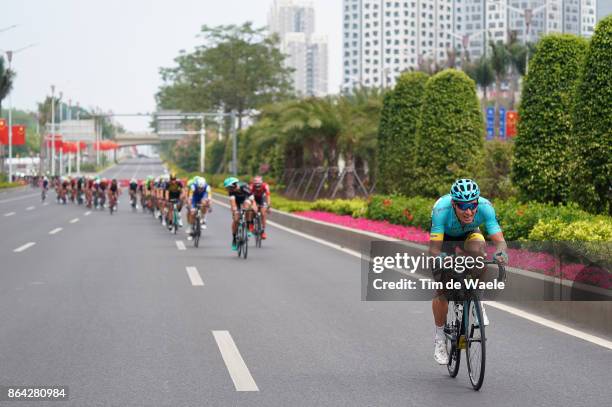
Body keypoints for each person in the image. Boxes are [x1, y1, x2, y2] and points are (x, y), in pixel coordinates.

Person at [428, 178, 508, 365]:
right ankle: (440, 339)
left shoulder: (486, 207)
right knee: (442, 290)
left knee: (479, 253)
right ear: (454, 204)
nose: (469, 211)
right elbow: (434, 250)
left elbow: (499, 240)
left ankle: (477, 299)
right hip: (444, 238)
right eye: (463, 206)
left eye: (472, 205)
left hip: (469, 234)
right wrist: (441, 259)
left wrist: (501, 252)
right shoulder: (441, 209)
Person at [223, 177, 257, 251]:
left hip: (246, 198)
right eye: (227, 188)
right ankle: (234, 239)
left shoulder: (244, 187)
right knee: (235, 219)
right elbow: (233, 203)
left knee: (248, 208)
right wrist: (234, 210)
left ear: (234, 185)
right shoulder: (231, 192)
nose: (228, 190)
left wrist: (254, 207)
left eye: (229, 188)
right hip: (237, 201)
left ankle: (249, 225)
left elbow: (252, 199)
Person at [249, 175, 271, 240]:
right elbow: (250, 197)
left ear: (261, 183)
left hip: (262, 198)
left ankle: (263, 231)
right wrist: (254, 204)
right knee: (252, 210)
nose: (257, 186)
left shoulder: (265, 186)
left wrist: (268, 205)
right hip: (253, 198)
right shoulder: (251, 186)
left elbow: (268, 196)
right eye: (256, 184)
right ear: (254, 183)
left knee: (263, 213)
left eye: (259, 185)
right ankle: (251, 225)